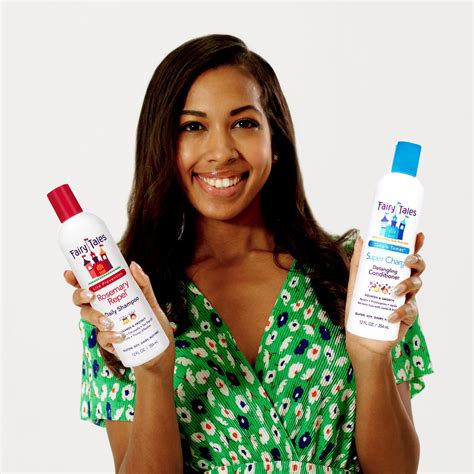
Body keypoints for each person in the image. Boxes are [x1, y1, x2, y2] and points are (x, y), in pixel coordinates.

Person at [65, 34, 433, 473]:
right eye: (192, 127)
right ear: (162, 144)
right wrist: (153, 372)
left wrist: (371, 358)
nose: (221, 152)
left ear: (275, 140)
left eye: (243, 123)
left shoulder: (354, 274)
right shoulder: (127, 300)